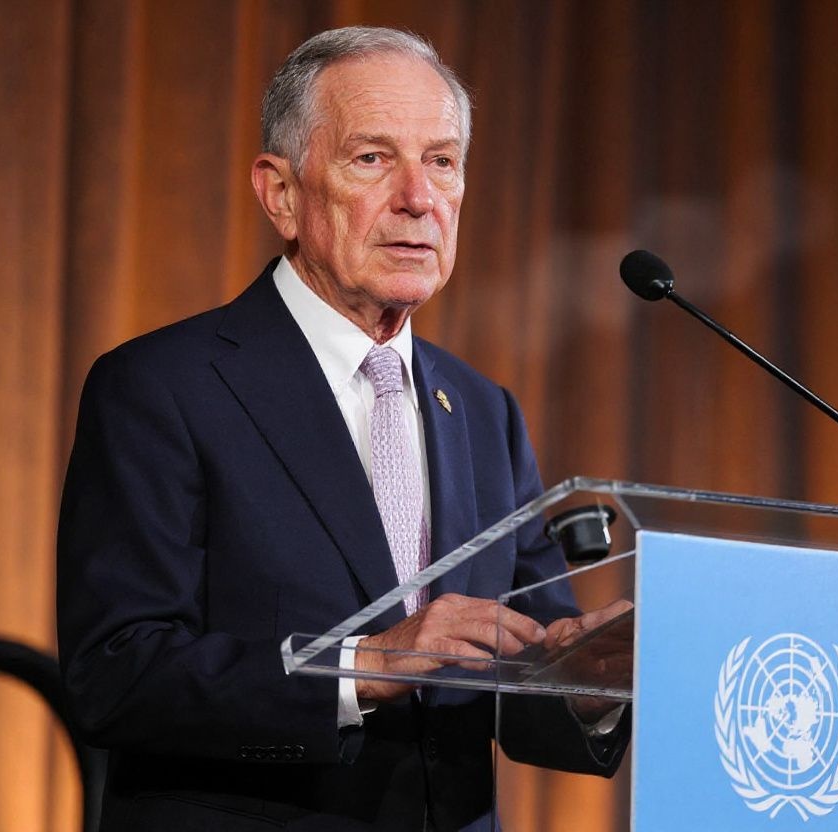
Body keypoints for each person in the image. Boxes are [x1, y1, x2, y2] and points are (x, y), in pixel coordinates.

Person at [57, 26, 626, 832]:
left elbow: (521, 679)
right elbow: (115, 674)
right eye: (372, 158)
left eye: (442, 160)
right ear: (281, 193)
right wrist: (364, 665)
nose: (419, 198)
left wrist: (584, 680)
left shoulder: (485, 412)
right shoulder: (162, 388)